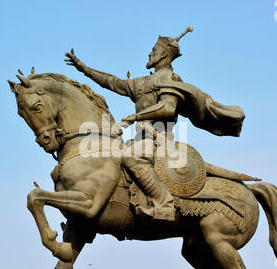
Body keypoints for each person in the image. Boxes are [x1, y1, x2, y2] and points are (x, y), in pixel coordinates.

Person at [64, 26, 246, 222]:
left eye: (154, 50)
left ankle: (164, 203)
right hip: (139, 140)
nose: (150, 53)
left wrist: (133, 117)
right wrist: (83, 69)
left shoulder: (171, 79)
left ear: (165, 55)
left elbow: (167, 108)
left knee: (129, 158)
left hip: (160, 140)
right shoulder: (142, 83)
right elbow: (112, 82)